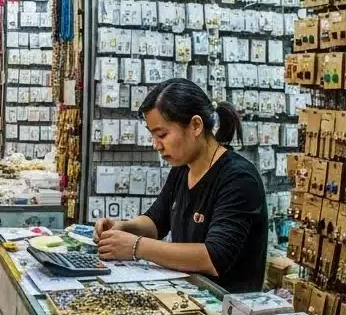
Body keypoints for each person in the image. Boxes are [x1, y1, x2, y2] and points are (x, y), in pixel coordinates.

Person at [95, 78, 268, 293]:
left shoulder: (239, 178)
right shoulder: (183, 169)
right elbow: (156, 221)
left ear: (196, 125)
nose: (156, 145)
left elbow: (213, 257)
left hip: (228, 310)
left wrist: (135, 246)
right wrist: (124, 227)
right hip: (190, 298)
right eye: (154, 136)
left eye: (162, 134)